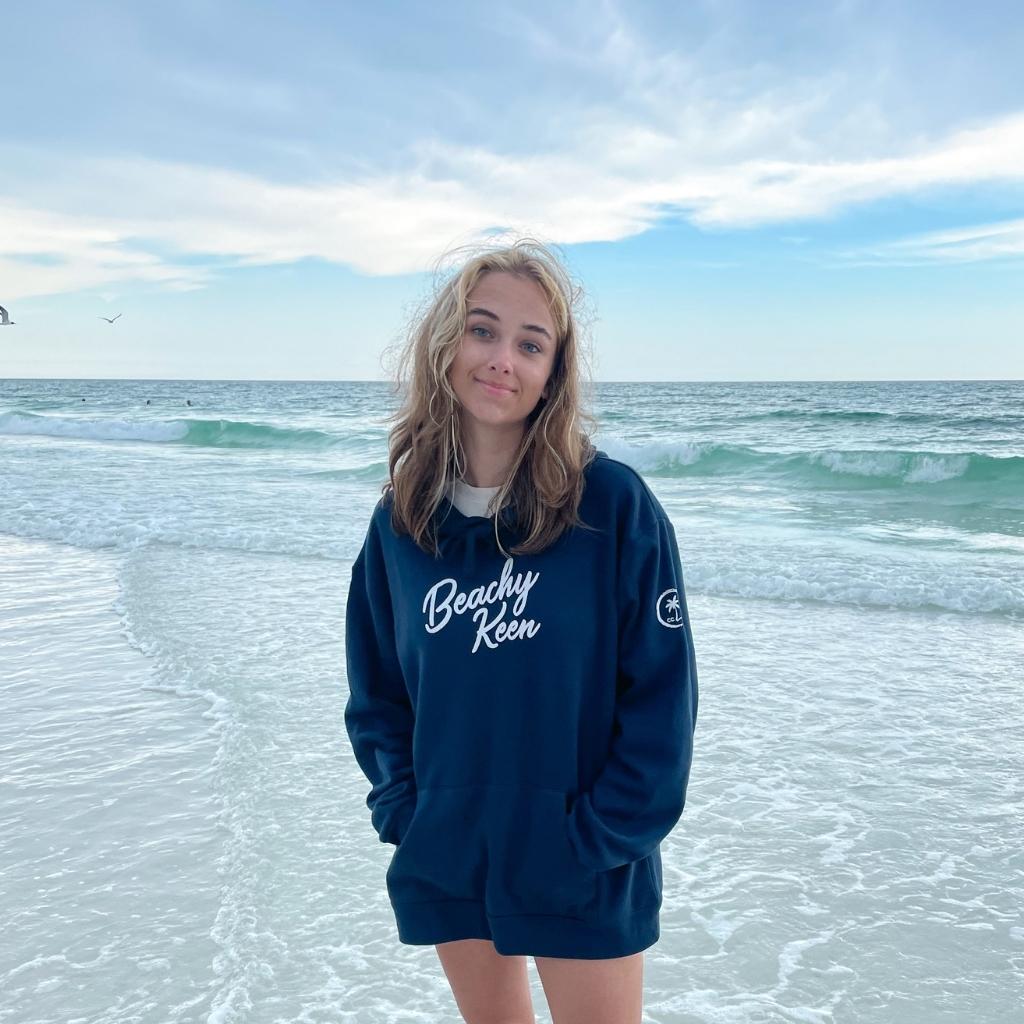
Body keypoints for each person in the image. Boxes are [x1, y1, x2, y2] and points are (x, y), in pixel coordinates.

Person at [343, 237, 698, 1024]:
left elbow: (661, 701)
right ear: (445, 344)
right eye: (482, 330)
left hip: (582, 861)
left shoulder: (611, 507)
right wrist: (410, 812)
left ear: (553, 371)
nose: (503, 358)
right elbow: (376, 693)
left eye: (530, 343)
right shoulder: (402, 520)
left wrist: (595, 840)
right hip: (450, 848)